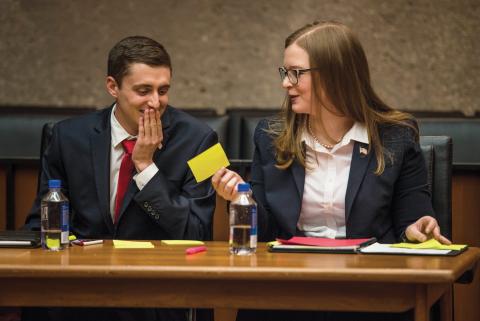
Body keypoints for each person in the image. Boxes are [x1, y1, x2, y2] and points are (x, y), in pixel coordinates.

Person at [212, 21, 450, 321]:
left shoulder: (396, 137)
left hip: (370, 290)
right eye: (285, 72)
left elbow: (411, 221)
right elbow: (267, 234)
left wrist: (417, 230)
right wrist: (238, 200)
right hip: (288, 288)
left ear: (335, 75)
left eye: (295, 73)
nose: (286, 83)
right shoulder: (271, 137)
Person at [24, 36, 217, 321]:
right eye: (143, 90)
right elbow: (38, 223)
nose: (155, 102)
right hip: (81, 291)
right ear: (112, 86)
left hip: (158, 296)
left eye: (163, 90)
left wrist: (145, 166)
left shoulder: (204, 141)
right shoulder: (66, 137)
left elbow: (198, 233)